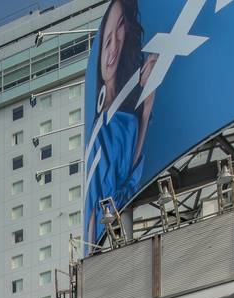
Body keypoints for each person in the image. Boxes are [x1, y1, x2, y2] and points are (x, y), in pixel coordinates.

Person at [85, 0, 157, 244]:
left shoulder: (129, 111)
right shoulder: (97, 128)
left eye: (120, 27)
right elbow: (92, 212)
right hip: (101, 238)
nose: (113, 44)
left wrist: (147, 103)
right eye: (106, 41)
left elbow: (133, 167)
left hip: (118, 224)